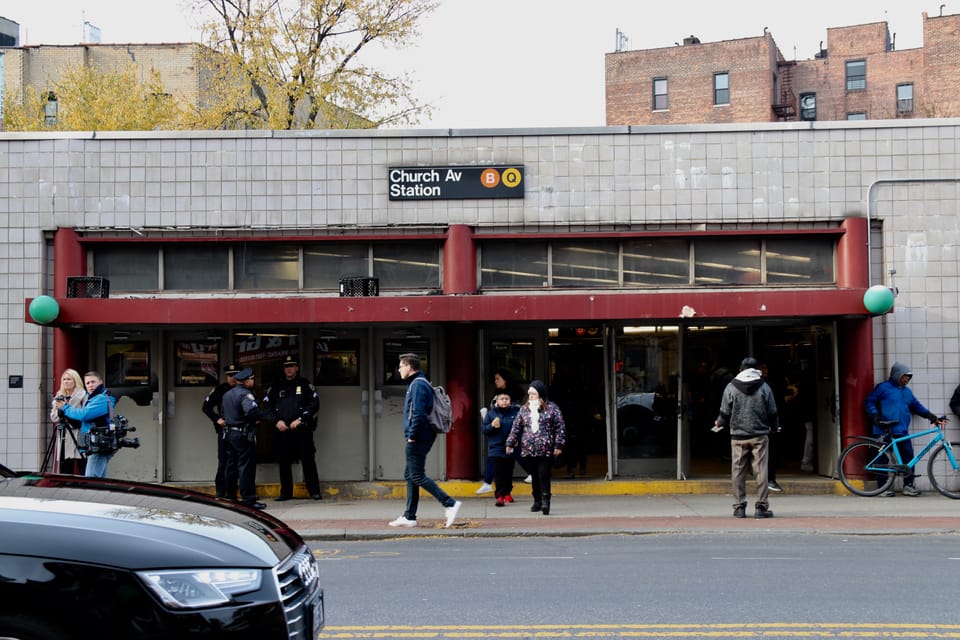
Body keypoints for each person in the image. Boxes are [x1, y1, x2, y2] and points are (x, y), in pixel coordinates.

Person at [388, 353, 462, 528]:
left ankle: (450, 503)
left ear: (409, 367)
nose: (399, 369)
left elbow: (419, 414)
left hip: (419, 436)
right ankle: (410, 516)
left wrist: (412, 435)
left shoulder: (418, 385)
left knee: (416, 475)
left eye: (401, 366)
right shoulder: (419, 383)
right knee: (410, 475)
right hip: (422, 435)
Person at [865, 362, 947, 497]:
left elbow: (917, 406)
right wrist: (874, 415)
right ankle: (882, 488)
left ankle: (908, 486)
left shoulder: (907, 392)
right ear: (896, 375)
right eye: (904, 376)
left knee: (908, 457)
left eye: (909, 377)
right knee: (883, 460)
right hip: (883, 429)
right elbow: (869, 401)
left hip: (902, 431)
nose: (907, 379)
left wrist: (932, 417)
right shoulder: (883, 388)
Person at [713, 357, 778, 519]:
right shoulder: (764, 386)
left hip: (738, 436)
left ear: (741, 369)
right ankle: (761, 507)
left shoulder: (731, 387)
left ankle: (739, 507)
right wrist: (775, 427)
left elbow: (724, 412)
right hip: (759, 435)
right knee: (761, 471)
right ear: (757, 370)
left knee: (738, 471)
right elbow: (772, 411)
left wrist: (719, 423)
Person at [262, 357, 322, 501]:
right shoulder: (276, 386)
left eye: (292, 366)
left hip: (301, 430)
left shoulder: (305, 385)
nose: (289, 369)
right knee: (284, 462)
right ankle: (285, 493)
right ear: (283, 369)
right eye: (286, 367)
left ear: (297, 368)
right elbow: (266, 407)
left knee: (308, 461)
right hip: (282, 430)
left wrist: (301, 419)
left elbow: (314, 404)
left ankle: (314, 491)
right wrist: (276, 421)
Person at [506, 380, 565, 516]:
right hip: (528, 449)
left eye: (533, 394)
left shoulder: (552, 408)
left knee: (544, 474)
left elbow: (560, 427)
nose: (531, 396)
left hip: (545, 448)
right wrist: (510, 443)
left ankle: (545, 501)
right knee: (535, 475)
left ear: (540, 394)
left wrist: (558, 444)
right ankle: (537, 500)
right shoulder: (524, 409)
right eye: (530, 394)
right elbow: (516, 428)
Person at [55, 371, 115, 478]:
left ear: (100, 382)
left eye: (93, 382)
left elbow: (84, 415)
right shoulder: (94, 397)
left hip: (99, 445)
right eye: (87, 383)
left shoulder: (101, 398)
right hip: (98, 444)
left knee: (91, 479)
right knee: (100, 479)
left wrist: (65, 407)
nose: (90, 385)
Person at [221, 368, 266, 509]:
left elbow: (224, 413)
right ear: (247, 381)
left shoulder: (227, 394)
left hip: (229, 434)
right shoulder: (246, 394)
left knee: (231, 466)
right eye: (252, 379)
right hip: (242, 434)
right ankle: (249, 500)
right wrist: (258, 418)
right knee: (246, 466)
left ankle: (230, 497)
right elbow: (251, 411)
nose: (253, 381)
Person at [477, 368, 526, 494]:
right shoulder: (498, 393)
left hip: (510, 433)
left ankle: (530, 473)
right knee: (495, 457)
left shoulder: (512, 401)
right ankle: (489, 482)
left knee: (516, 455)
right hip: (498, 435)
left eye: (498, 378)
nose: (495, 381)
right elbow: (487, 426)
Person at [201, 363, 239, 499]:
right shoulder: (220, 389)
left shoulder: (243, 389)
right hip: (225, 431)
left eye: (235, 375)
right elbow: (206, 407)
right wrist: (217, 419)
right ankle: (221, 492)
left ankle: (232, 493)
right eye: (230, 376)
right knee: (223, 461)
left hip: (239, 431)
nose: (232, 378)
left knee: (237, 462)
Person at [481, 391, 520, 507]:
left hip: (510, 447)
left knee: (508, 472)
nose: (504, 401)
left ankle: (507, 492)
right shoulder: (491, 414)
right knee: (499, 473)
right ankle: (499, 496)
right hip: (496, 448)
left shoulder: (515, 412)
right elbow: (484, 429)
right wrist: (492, 425)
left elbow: (520, 428)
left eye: (507, 398)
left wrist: (517, 439)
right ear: (496, 401)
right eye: (502, 399)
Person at [49, 368, 86, 475]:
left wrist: (66, 408)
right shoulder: (59, 396)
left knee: (82, 464)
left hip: (78, 432)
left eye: (69, 379)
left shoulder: (83, 395)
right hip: (64, 434)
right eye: (64, 379)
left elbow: (84, 415)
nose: (66, 381)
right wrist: (59, 407)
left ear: (76, 381)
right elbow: (54, 418)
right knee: (65, 466)